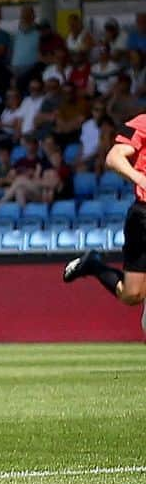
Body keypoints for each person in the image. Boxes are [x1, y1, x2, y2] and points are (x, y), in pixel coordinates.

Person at [63, 112, 146, 335]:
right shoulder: (142, 123)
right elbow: (114, 157)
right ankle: (94, 265)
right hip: (143, 217)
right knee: (132, 295)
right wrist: (139, 178)